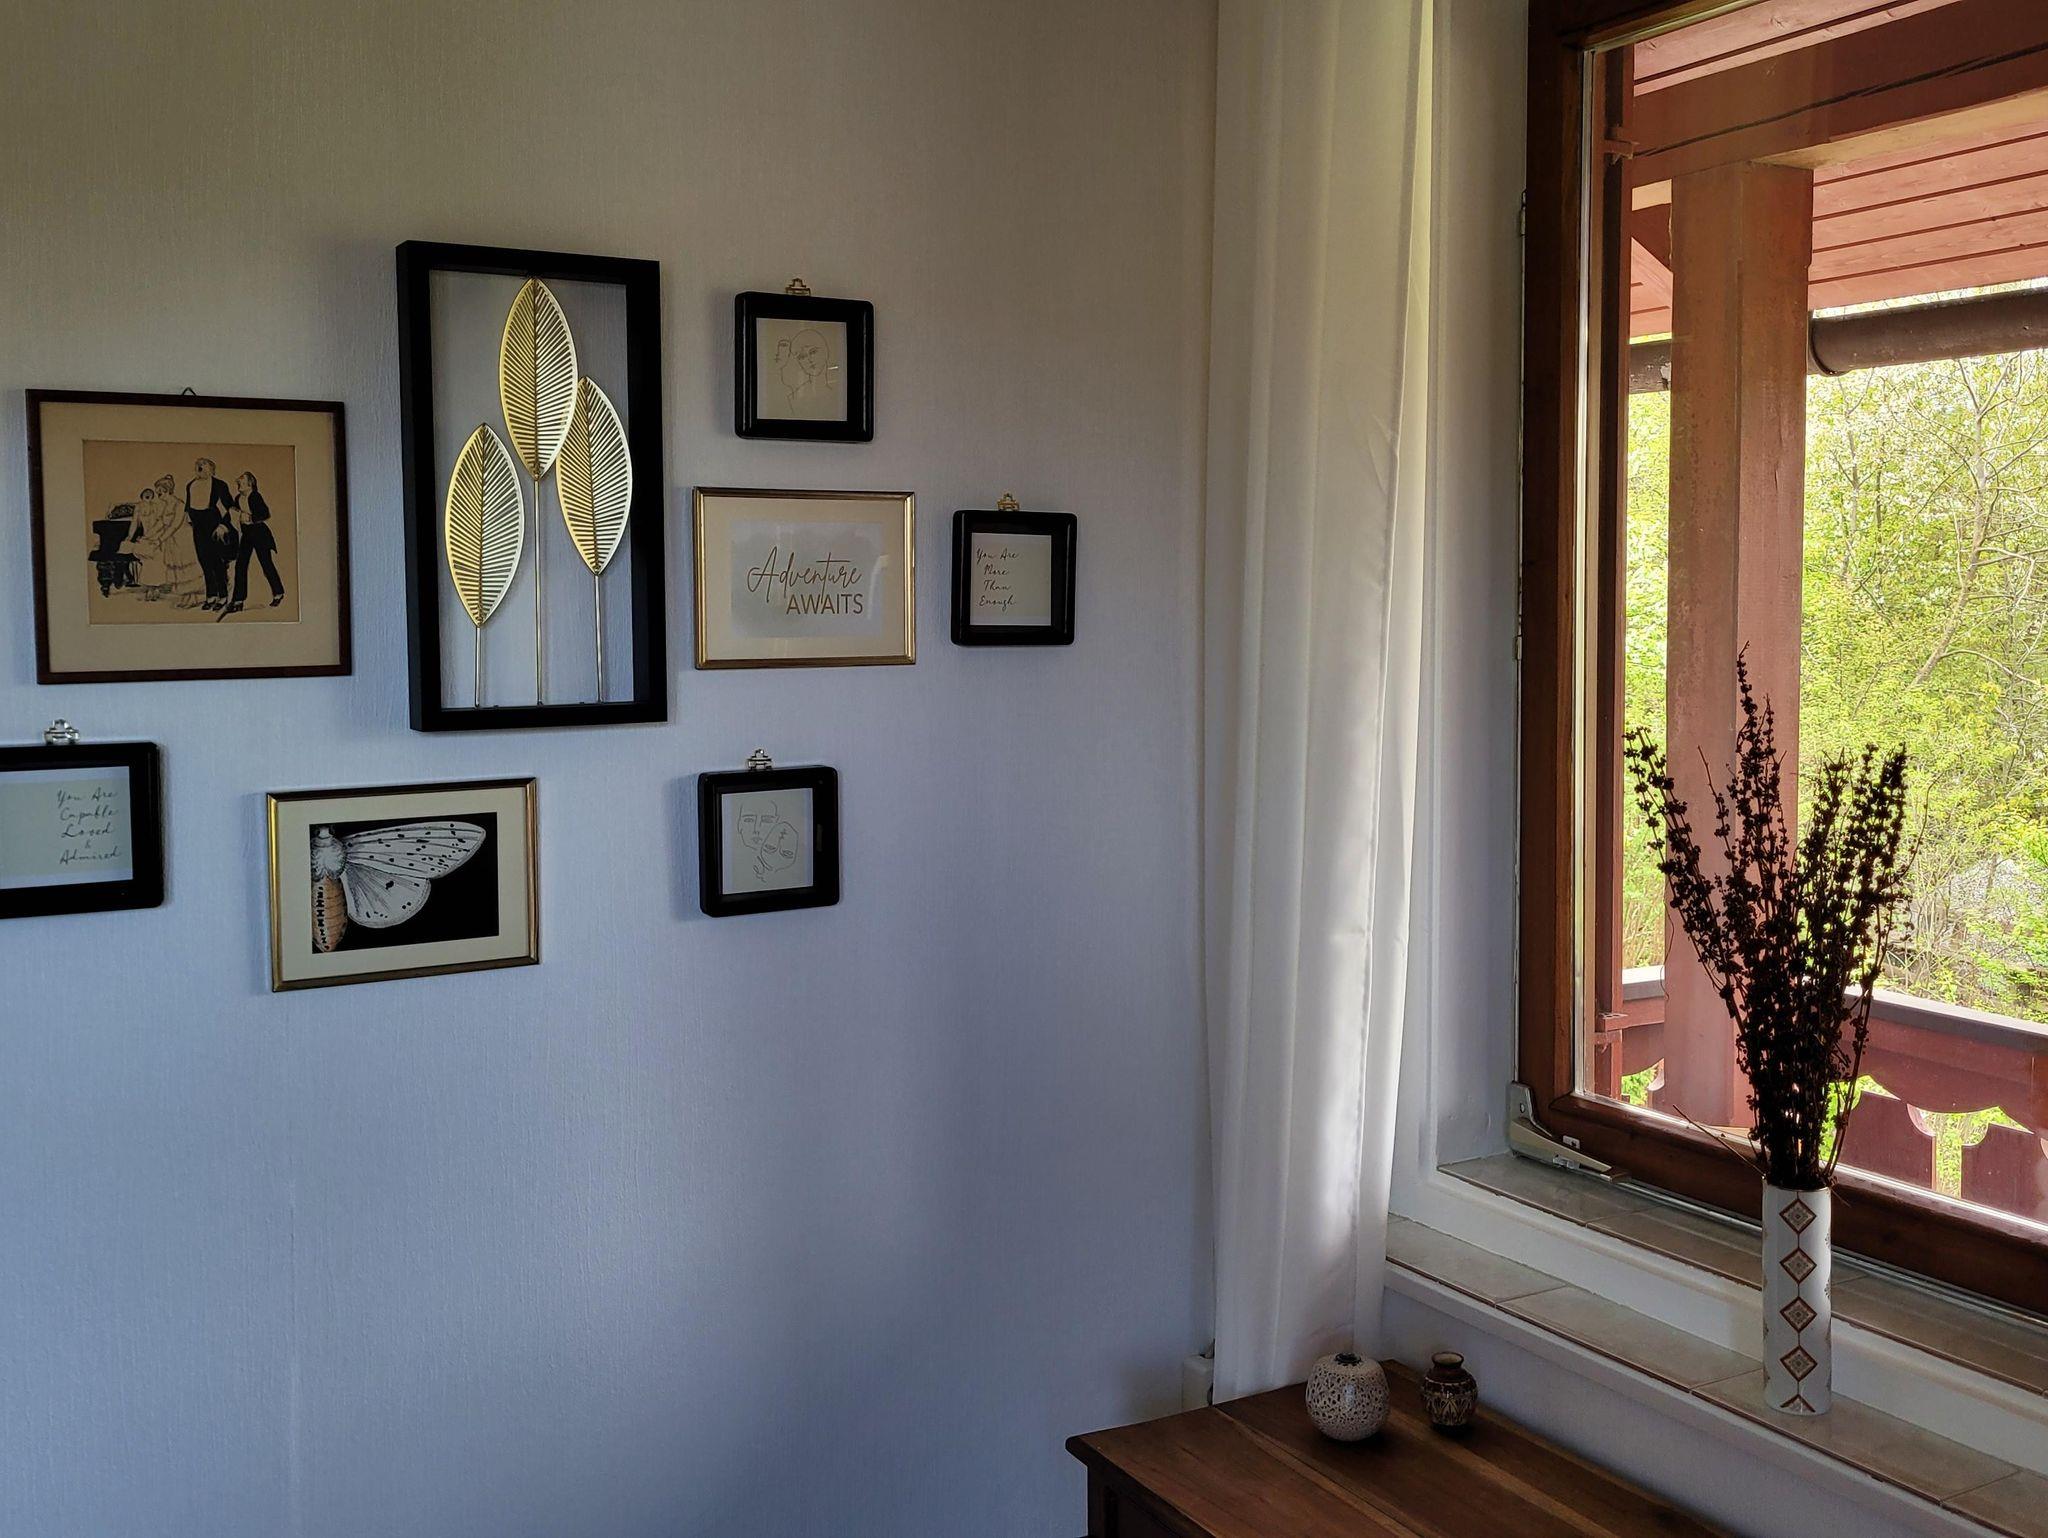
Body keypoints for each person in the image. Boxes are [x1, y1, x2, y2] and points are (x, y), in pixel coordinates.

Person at [224, 470, 284, 615]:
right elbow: (232, 512)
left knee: (266, 564)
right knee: (240, 565)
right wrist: (223, 524)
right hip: (247, 535)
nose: (238, 483)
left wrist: (251, 518)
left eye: (242, 480)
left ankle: (278, 593)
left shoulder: (255, 496)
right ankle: (238, 600)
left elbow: (265, 514)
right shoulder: (238, 498)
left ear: (250, 484)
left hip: (260, 534)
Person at [184, 457, 238, 611]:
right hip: (197, 526)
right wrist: (188, 517)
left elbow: (230, 507)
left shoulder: (220, 484)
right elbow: (188, 506)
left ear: (211, 469)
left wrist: (223, 525)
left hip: (213, 523)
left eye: (204, 464)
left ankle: (223, 596)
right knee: (204, 560)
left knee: (216, 561)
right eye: (198, 465)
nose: (200, 467)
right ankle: (211, 595)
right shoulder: (190, 485)